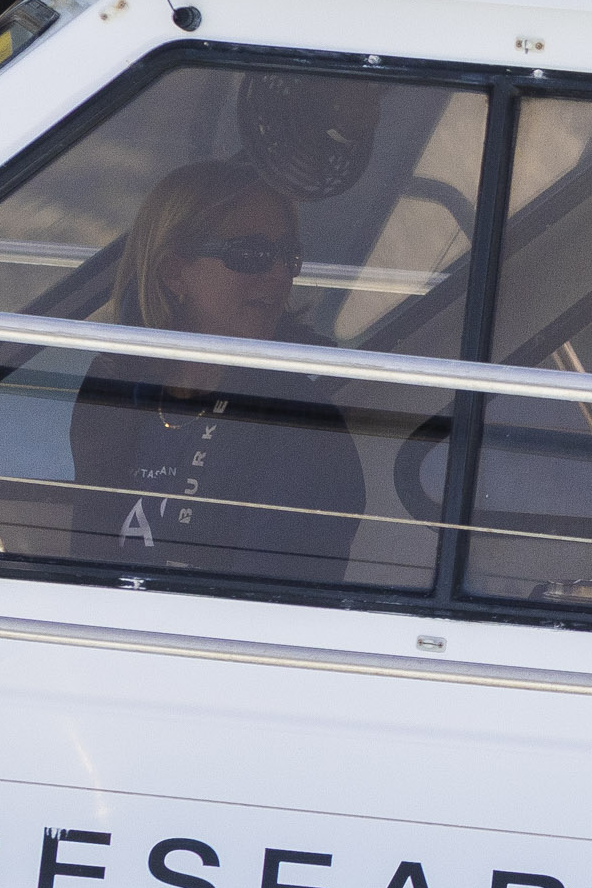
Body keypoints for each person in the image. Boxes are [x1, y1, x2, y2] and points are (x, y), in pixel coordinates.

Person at [68, 163, 367, 587]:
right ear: (175, 272)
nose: (279, 275)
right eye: (251, 255)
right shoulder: (115, 388)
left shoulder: (300, 422)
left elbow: (259, 618)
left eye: (288, 256)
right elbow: (85, 566)